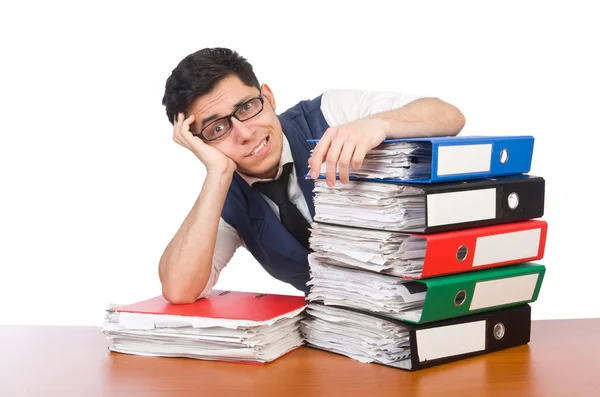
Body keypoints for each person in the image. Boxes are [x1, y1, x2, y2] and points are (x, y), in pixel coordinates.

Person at [159, 47, 466, 304]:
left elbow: (450, 116)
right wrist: (217, 172)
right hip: (351, 342)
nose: (245, 132)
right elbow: (180, 290)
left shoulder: (330, 113)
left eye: (248, 107)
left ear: (268, 97)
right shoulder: (226, 200)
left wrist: (379, 124)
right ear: (198, 143)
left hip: (447, 291)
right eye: (217, 129)